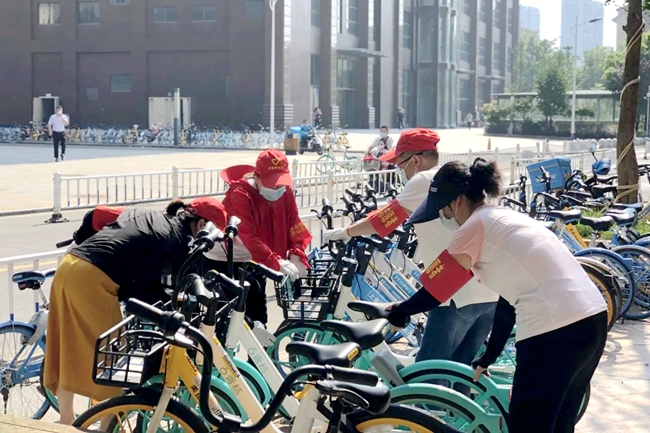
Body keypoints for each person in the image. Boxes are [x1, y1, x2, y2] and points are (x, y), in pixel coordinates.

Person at [386, 159, 608, 433]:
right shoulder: (505, 218)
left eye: (444, 210)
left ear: (457, 201)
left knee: (528, 425)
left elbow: (437, 289)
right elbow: (508, 300)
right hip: (592, 319)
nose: (445, 217)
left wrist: (400, 311)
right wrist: (489, 355)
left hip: (552, 330)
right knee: (560, 421)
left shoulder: (472, 227)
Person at [324, 129, 497, 395]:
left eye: (400, 164)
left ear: (415, 160)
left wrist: (345, 232)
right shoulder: (459, 179)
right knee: (460, 378)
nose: (399, 171)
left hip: (454, 295)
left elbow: (386, 219)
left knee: (428, 379)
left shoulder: (426, 181)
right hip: (488, 295)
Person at [44, 197, 227, 427]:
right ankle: (108, 429)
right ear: (201, 225)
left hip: (70, 265)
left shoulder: (152, 215)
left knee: (66, 344)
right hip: (93, 279)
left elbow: (96, 214)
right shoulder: (176, 240)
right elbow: (152, 289)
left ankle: (66, 418)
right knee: (114, 361)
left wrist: (81, 239)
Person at [203, 150, 312, 324]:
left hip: (256, 258)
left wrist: (296, 252)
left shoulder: (285, 191)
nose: (277, 189)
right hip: (226, 258)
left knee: (258, 315)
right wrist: (276, 261)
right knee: (227, 317)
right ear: (257, 177)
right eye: (272, 184)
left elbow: (294, 224)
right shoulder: (240, 194)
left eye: (280, 184)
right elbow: (248, 235)